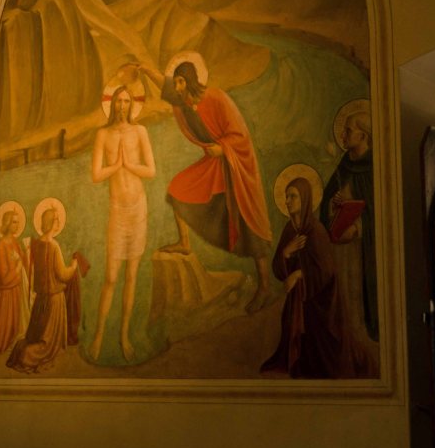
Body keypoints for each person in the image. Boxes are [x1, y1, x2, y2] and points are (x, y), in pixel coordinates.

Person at [142, 52, 272, 311]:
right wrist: (146, 71)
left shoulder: (216, 98)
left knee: (248, 223)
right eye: (176, 83)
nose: (177, 87)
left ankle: (265, 286)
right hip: (214, 164)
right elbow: (165, 86)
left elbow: (240, 135)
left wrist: (223, 149)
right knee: (177, 189)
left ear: (190, 80)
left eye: (181, 82)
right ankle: (184, 243)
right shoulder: (183, 102)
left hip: (235, 165)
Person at [88, 84, 156, 362]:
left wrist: (129, 165)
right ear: (112, 103)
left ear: (132, 105)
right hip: (118, 211)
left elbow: (151, 171)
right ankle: (99, 336)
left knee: (131, 276)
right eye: (118, 101)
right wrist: (116, 166)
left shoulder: (140, 132)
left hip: (138, 209)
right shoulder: (102, 135)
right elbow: (96, 175)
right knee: (111, 277)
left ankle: (124, 335)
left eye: (127, 101)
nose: (122, 106)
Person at [260, 177, 350, 378]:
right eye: (286, 196)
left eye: (293, 196)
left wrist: (299, 274)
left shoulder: (316, 231)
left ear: (305, 199)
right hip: (298, 299)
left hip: (320, 302)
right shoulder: (290, 229)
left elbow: (327, 271)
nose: (287, 201)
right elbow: (277, 270)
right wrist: (286, 253)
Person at [321, 108, 378, 341]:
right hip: (341, 246)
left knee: (358, 295)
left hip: (362, 247)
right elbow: (328, 199)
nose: (343, 135)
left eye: (348, 131)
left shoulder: (374, 167)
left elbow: (378, 211)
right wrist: (333, 205)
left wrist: (358, 227)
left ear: (363, 136)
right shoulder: (345, 164)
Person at [7, 205, 78, 374]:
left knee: (34, 335)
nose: (58, 222)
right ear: (51, 222)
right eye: (56, 219)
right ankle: (26, 356)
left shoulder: (37, 244)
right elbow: (62, 274)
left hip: (41, 300)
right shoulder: (53, 246)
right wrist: (74, 266)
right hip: (54, 299)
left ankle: (21, 352)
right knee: (46, 342)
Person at [0, 206, 30, 353]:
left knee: (16, 329)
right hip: (5, 295)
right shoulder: (1, 245)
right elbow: (3, 277)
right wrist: (18, 267)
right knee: (3, 334)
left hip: (16, 292)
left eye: (18, 222)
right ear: (7, 223)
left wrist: (27, 253)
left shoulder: (15, 242)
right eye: (14, 222)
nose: (17, 225)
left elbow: (25, 265)